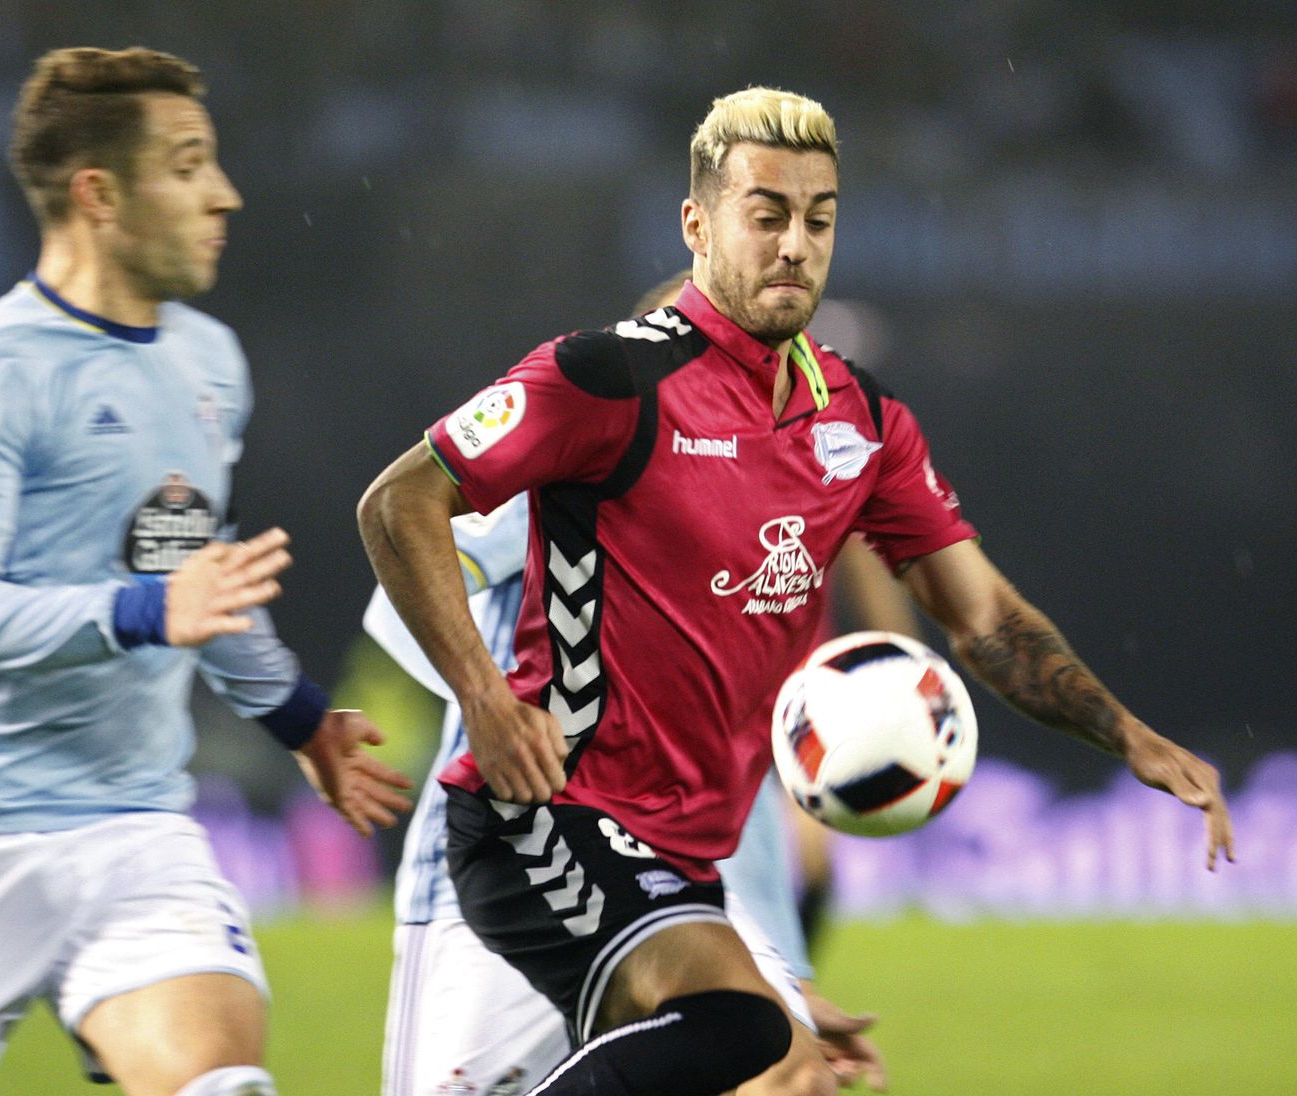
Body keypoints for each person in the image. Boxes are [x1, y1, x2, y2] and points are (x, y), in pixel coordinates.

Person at [360, 85, 1234, 1096]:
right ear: (697, 224)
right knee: (744, 1038)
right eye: (765, 214)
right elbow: (398, 503)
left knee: (786, 1073)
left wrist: (1128, 734)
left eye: (818, 219)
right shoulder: (605, 379)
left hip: (681, 856)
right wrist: (482, 693)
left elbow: (985, 618)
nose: (794, 244)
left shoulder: (862, 421)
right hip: (546, 817)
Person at [0, 47, 411, 1096]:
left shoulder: (208, 362)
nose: (223, 193)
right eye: (187, 164)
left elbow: (194, 579)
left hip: (132, 824)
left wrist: (299, 719)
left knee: (220, 1077)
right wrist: (146, 609)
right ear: (98, 194)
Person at [369, 271, 901, 1096]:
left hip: (680, 886)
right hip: (519, 860)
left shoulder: (775, 513)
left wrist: (769, 972)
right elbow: (400, 585)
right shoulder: (581, 467)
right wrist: (493, 700)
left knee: (787, 1072)